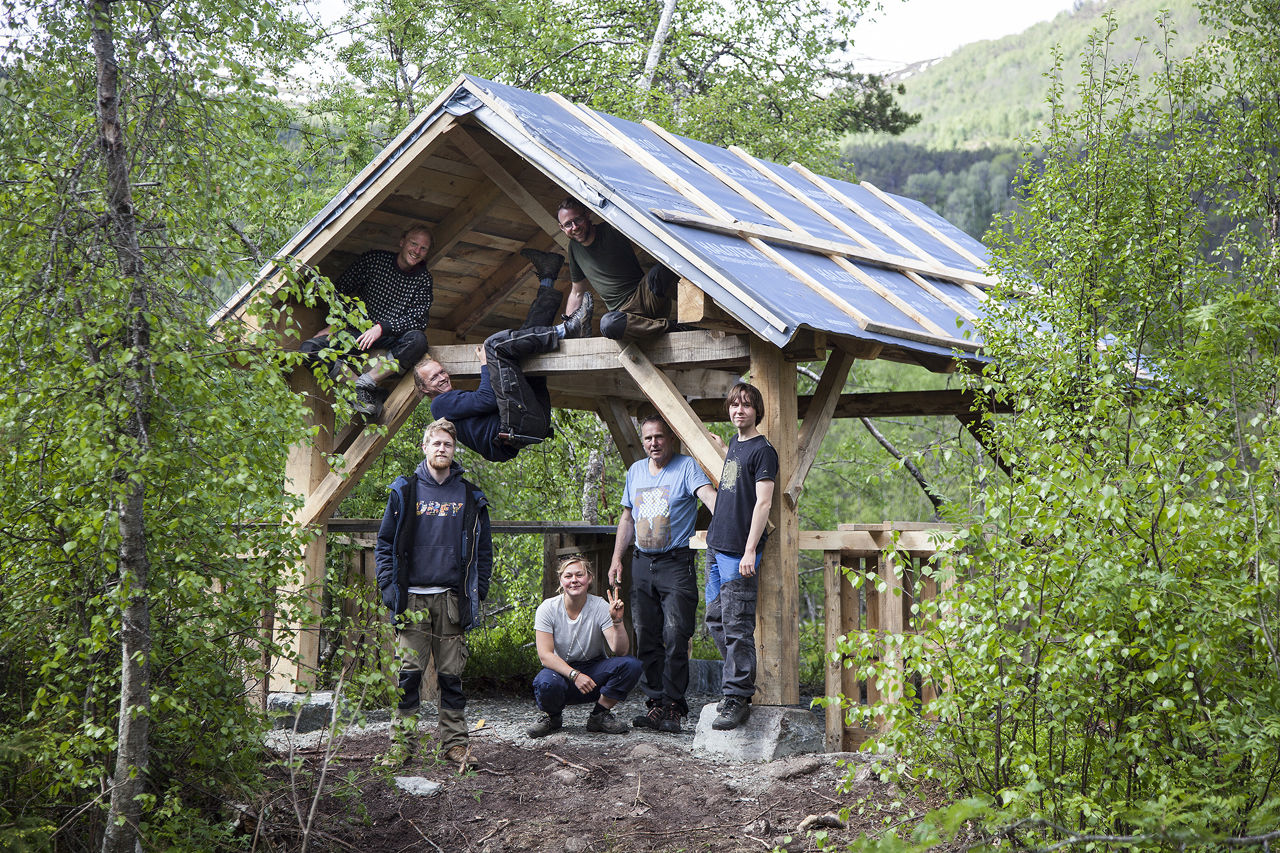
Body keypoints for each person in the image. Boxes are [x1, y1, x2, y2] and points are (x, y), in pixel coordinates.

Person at [374, 418, 492, 768]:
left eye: (448, 444)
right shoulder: (405, 491)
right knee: (408, 676)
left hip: (452, 600)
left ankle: (455, 745)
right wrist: (389, 588)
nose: (442, 448)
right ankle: (401, 745)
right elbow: (385, 544)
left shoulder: (469, 496)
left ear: (454, 450)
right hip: (411, 598)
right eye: (436, 443)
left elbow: (483, 550)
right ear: (424, 447)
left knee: (451, 677)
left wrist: (479, 591)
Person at [415, 249, 593, 461]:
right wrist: (485, 364)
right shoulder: (440, 404)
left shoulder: (452, 403)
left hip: (531, 422)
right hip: (517, 425)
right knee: (494, 345)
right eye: (434, 378)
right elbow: (488, 399)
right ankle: (567, 330)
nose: (443, 377)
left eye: (441, 372)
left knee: (526, 344)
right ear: (424, 388)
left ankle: (548, 278)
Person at [607, 416, 716, 733]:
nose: (653, 443)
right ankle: (655, 704)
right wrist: (617, 558)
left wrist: (733, 519)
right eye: (648, 438)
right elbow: (627, 518)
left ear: (671, 438)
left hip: (676, 563)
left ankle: (673, 706)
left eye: (659, 437)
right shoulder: (635, 471)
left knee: (676, 634)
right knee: (646, 635)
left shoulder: (686, 467)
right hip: (642, 562)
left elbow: (709, 497)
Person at [301, 223, 435, 419]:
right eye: (414, 244)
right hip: (357, 333)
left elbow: (418, 320)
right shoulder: (375, 260)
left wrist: (382, 327)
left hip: (391, 338)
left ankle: (366, 383)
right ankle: (358, 387)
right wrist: (336, 322)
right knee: (310, 349)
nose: (417, 251)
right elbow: (340, 289)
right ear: (402, 242)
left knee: (418, 340)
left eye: (423, 248)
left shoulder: (424, 279)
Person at [704, 382, 777, 731]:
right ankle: (735, 683)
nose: (739, 410)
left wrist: (750, 550)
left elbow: (763, 503)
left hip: (739, 552)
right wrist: (722, 448)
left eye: (746, 405)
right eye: (734, 405)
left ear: (756, 411)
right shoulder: (736, 444)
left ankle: (737, 697)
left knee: (738, 626)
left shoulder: (764, 451)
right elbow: (735, 481)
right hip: (716, 546)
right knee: (715, 620)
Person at [526, 556, 643, 738]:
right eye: (568, 576)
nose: (574, 580)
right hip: (561, 672)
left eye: (579, 575)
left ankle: (599, 715)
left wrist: (617, 621)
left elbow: (620, 650)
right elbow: (545, 655)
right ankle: (553, 717)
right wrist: (575, 675)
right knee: (546, 683)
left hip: (594, 671)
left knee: (631, 665)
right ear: (561, 580)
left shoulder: (600, 606)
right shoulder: (547, 608)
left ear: (589, 579)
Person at [557, 198, 681, 341]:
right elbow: (577, 292)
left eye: (577, 220)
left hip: (646, 296)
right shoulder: (574, 249)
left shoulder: (611, 229)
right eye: (568, 224)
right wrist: (568, 327)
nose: (574, 227)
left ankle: (697, 312)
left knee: (663, 268)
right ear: (562, 228)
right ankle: (674, 328)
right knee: (608, 324)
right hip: (624, 315)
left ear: (587, 214)